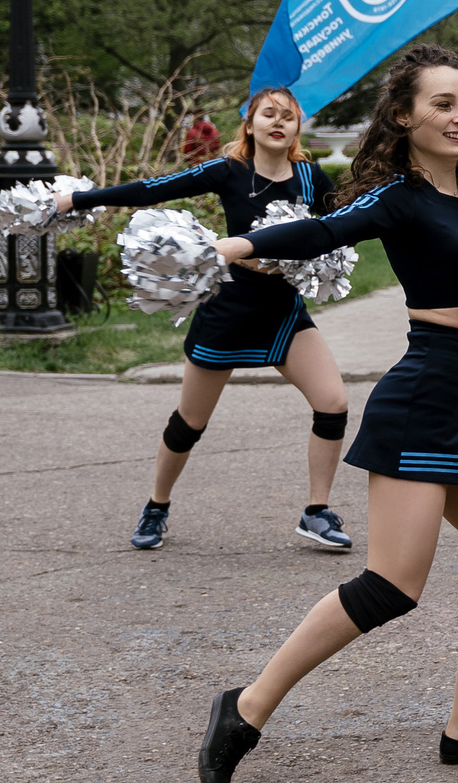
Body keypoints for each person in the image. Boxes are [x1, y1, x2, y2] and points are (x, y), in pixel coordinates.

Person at [191, 44, 458, 783]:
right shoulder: (398, 197)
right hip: (423, 396)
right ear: (404, 115)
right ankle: (247, 707)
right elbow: (319, 232)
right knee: (392, 584)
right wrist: (239, 243)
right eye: (443, 104)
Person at [58, 87, 353, 555]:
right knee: (190, 422)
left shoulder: (310, 177)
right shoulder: (229, 171)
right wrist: (80, 198)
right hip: (228, 310)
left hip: (283, 311)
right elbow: (154, 188)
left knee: (333, 403)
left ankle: (316, 511)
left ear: (298, 128)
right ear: (250, 124)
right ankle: (157, 505)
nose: (278, 122)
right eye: (268, 114)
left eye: (289, 117)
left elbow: (348, 222)